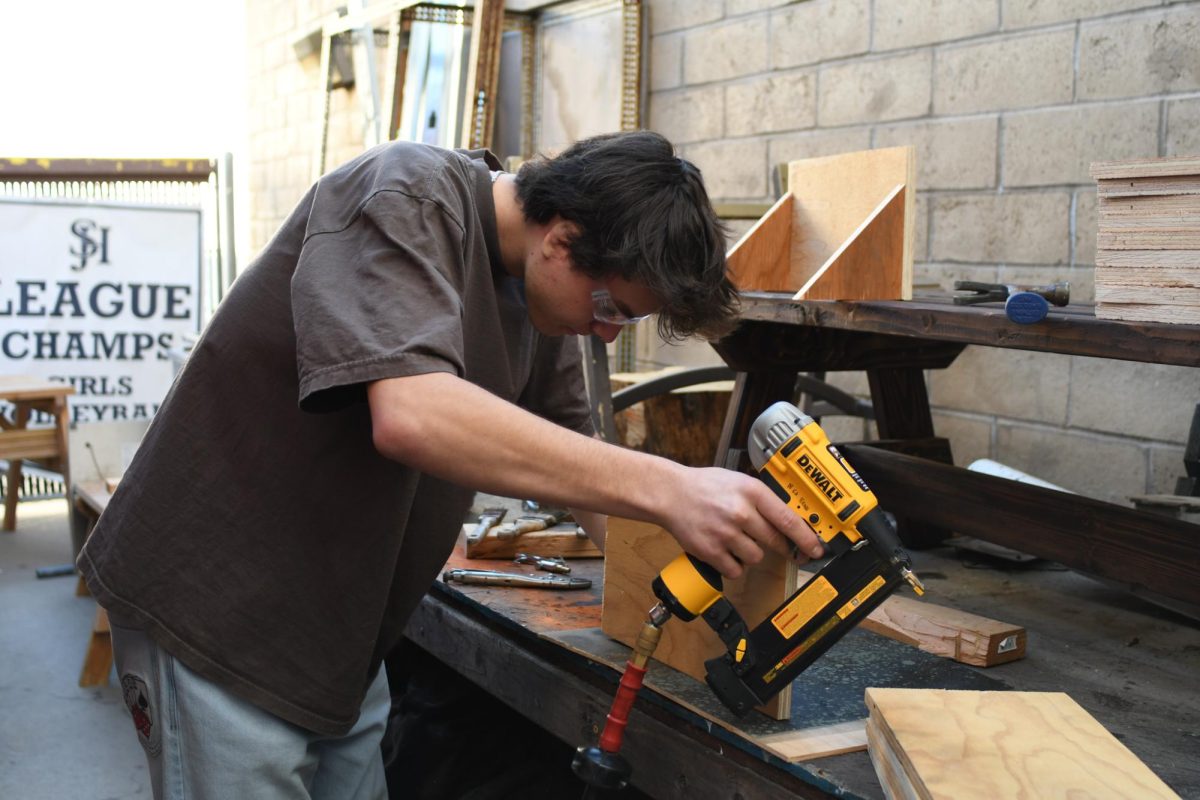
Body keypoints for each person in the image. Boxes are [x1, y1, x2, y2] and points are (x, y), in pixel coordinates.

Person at [77, 130, 824, 799]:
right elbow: (413, 413)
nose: (604, 332)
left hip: (342, 627)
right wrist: (671, 485)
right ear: (560, 240)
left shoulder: (541, 300)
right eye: (612, 308)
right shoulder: (405, 194)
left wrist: (706, 572)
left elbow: (579, 466)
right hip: (222, 614)